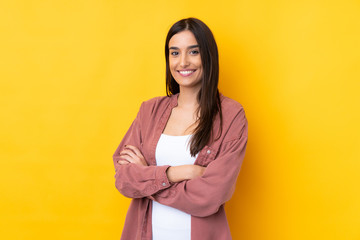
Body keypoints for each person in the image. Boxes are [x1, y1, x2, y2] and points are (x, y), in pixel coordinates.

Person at [112, 17, 248, 240]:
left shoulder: (231, 115)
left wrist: (147, 178)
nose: (183, 62)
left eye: (193, 52)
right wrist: (177, 172)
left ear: (208, 56)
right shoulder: (149, 110)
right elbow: (124, 180)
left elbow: (211, 196)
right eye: (174, 53)